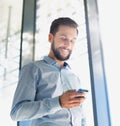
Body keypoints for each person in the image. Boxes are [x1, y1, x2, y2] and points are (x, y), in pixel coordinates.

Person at [10, 17, 87, 126]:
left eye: (72, 40)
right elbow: (17, 112)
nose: (68, 44)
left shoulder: (74, 77)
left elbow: (81, 116)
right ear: (51, 38)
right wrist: (58, 102)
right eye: (63, 38)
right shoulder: (33, 69)